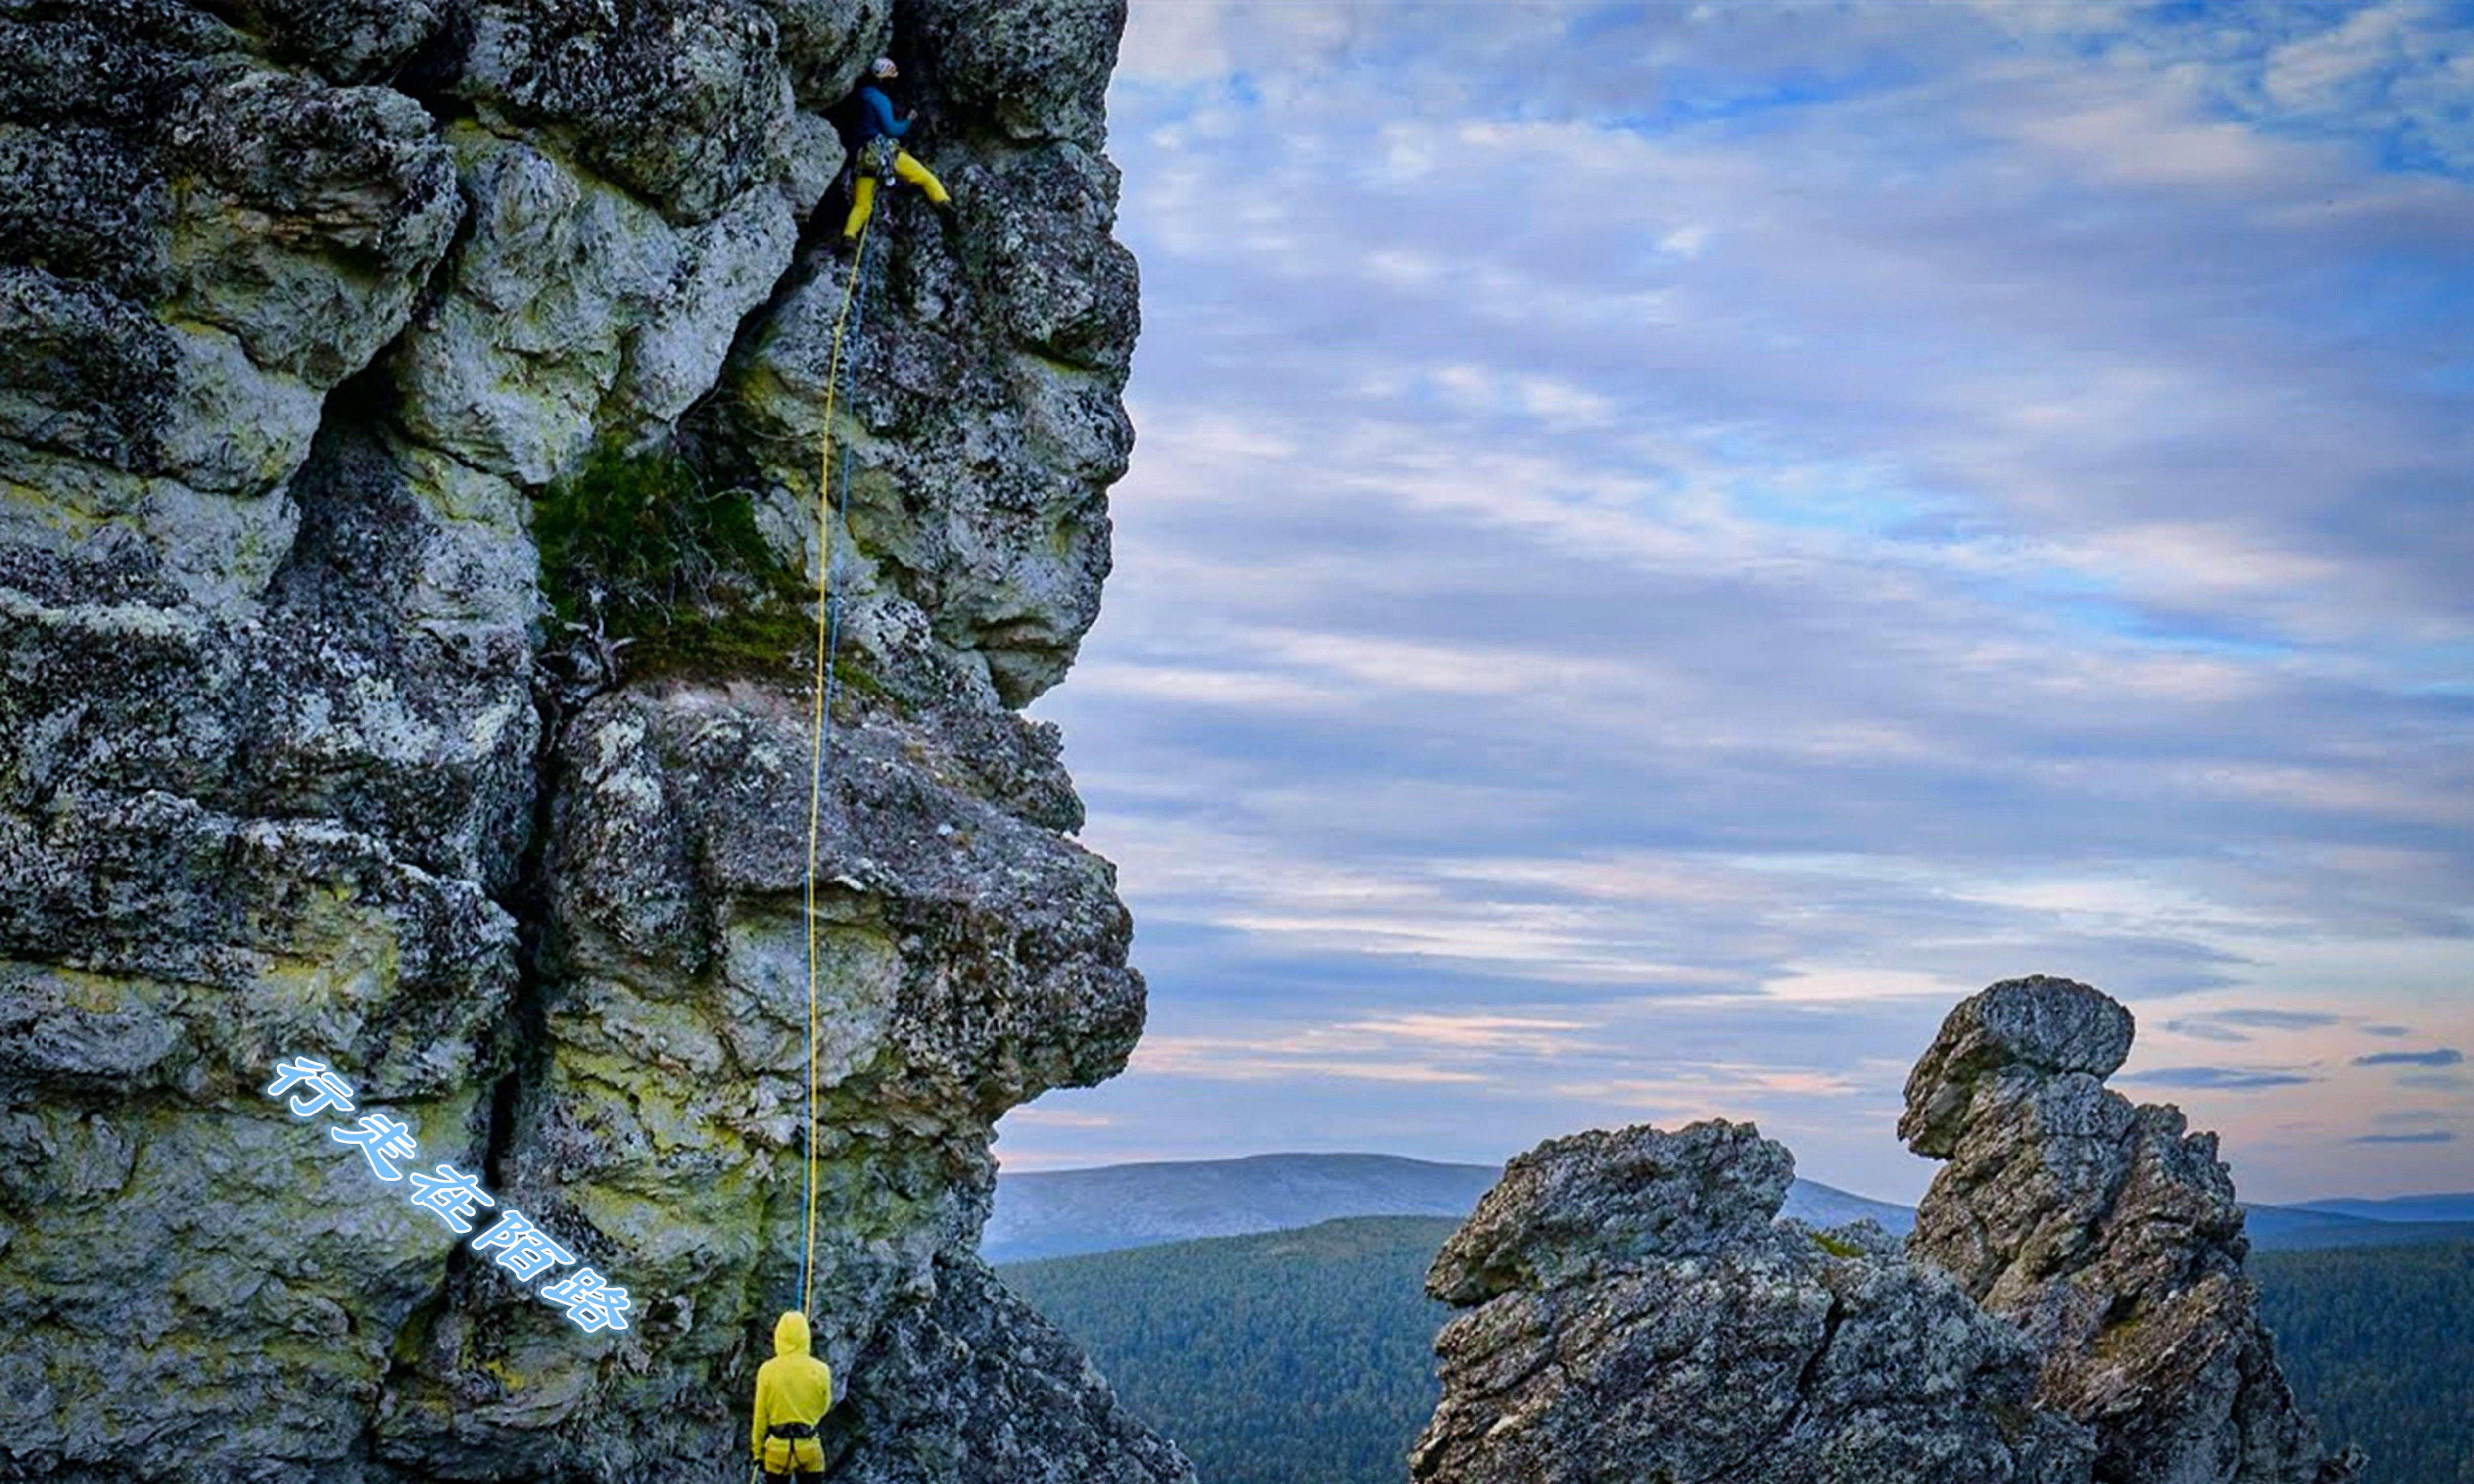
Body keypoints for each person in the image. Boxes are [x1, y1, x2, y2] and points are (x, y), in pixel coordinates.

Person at [843, 56, 953, 245]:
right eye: (892, 77)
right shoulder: (879, 100)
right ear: (884, 78)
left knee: (862, 205)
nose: (894, 81)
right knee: (924, 177)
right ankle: (943, 203)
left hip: (864, 157)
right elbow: (892, 129)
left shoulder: (860, 98)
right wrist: (909, 120)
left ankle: (849, 235)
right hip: (884, 152)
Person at [749, 1309, 834, 1483]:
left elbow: (760, 1416)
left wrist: (758, 1452)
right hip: (809, 1444)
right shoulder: (821, 1370)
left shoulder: (767, 1371)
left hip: (778, 1448)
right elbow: (824, 1407)